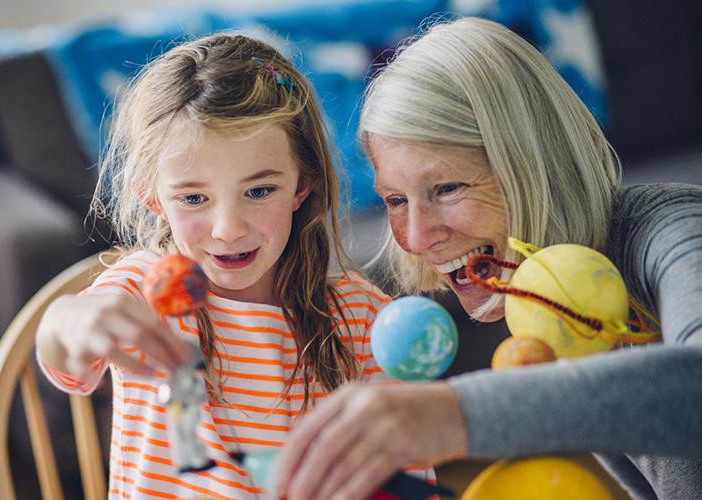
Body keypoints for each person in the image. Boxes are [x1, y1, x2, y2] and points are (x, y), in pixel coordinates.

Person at [274, 16, 702, 500]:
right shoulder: (549, 297)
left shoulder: (677, 230)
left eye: (448, 187)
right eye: (396, 200)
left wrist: (450, 414)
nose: (415, 237)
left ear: (534, 162)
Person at [35, 33, 435, 499]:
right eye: (194, 198)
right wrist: (69, 320)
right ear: (153, 198)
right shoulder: (141, 291)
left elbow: (406, 473)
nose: (227, 228)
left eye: (259, 191)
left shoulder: (362, 317)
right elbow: (64, 353)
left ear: (301, 187)